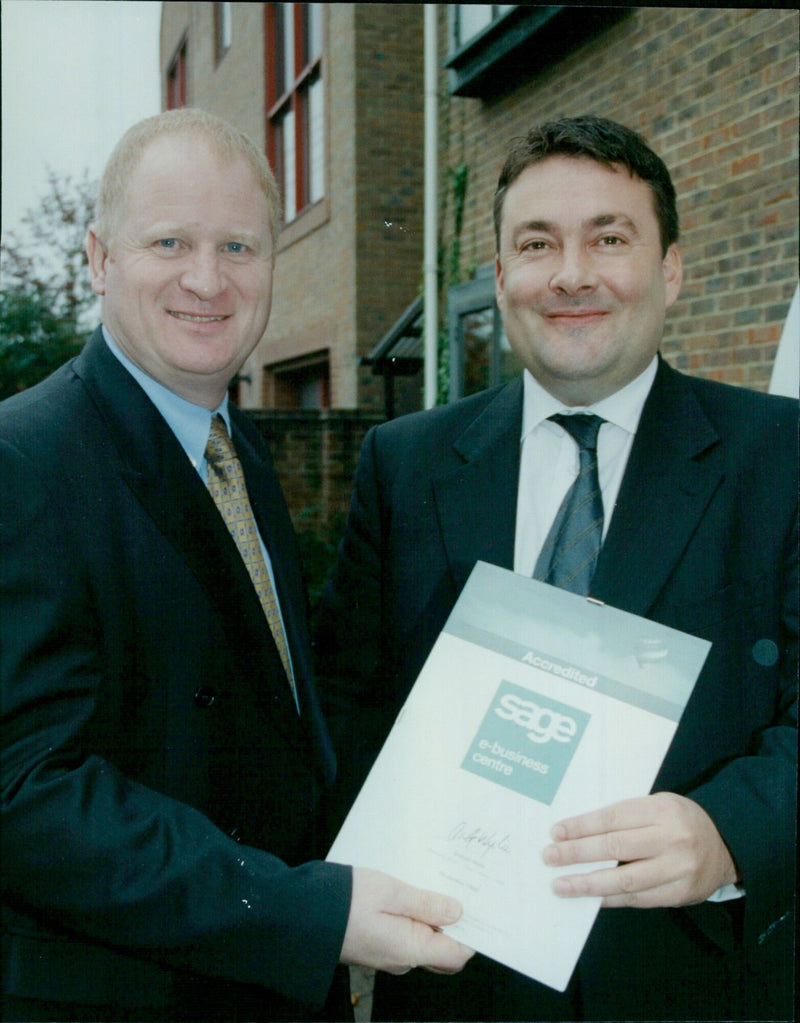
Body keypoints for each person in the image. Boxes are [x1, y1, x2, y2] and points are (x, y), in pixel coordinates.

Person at [314, 115, 797, 1022]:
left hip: (696, 982)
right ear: (500, 279)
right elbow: (346, 702)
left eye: (609, 238)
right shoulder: (405, 465)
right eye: (537, 244)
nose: (572, 273)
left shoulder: (782, 458)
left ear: (673, 270)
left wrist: (732, 831)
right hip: (457, 981)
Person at [0, 108, 474, 1023]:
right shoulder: (23, 461)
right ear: (99, 259)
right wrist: (307, 910)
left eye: (239, 246)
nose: (207, 279)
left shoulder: (236, 451)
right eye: (169, 240)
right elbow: (24, 791)